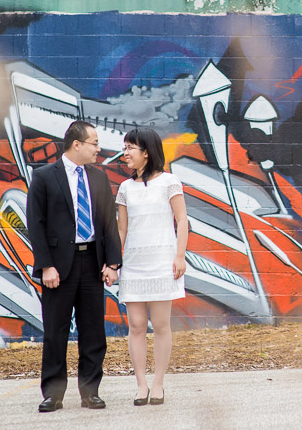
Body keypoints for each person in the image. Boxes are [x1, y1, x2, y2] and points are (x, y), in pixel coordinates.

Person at [27, 120, 122, 413]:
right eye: (94, 142)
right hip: (58, 267)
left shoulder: (99, 177)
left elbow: (108, 222)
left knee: (93, 331)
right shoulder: (44, 176)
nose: (99, 148)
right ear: (76, 144)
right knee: (55, 332)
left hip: (92, 262)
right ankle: (53, 395)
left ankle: (90, 392)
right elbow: (36, 224)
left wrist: (113, 262)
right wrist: (45, 266)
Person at [115, 127, 189, 406]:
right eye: (125, 148)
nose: (126, 153)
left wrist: (179, 256)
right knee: (135, 326)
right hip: (133, 266)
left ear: (146, 152)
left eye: (131, 148)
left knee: (160, 325)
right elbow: (121, 230)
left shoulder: (170, 182)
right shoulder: (125, 188)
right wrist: (113, 263)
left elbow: (182, 220)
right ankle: (141, 385)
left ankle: (158, 383)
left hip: (162, 263)